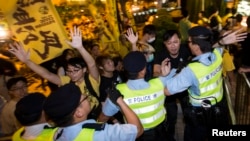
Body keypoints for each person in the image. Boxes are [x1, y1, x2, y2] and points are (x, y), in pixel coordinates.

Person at [160, 26, 247, 141]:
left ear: (196, 46)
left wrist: (165, 76)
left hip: (199, 116)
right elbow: (214, 48)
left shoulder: (191, 70)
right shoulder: (217, 55)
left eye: (189, 41)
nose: (188, 44)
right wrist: (221, 42)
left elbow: (167, 91)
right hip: (219, 109)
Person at [9, 27, 101, 120]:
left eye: (75, 70)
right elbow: (47, 75)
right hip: (77, 119)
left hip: (96, 115)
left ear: (84, 70)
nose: (71, 74)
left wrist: (80, 48)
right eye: (69, 71)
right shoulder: (67, 81)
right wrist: (27, 61)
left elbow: (92, 64)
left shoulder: (92, 79)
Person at [99, 51, 169, 141]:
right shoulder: (160, 83)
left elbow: (104, 117)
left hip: (136, 135)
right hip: (161, 133)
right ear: (143, 70)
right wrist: (162, 75)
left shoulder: (117, 92)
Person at [43, 83, 143, 141]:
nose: (87, 97)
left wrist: (105, 113)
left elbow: (94, 126)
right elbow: (137, 130)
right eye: (85, 98)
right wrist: (119, 101)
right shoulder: (100, 135)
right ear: (79, 113)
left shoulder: (53, 133)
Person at [153, 30, 191, 141]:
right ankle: (170, 137)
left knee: (188, 113)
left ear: (180, 41)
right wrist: (162, 73)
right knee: (171, 116)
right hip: (168, 90)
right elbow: (155, 73)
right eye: (169, 43)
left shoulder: (186, 50)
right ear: (165, 44)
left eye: (175, 42)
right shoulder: (161, 55)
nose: (173, 46)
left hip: (183, 89)